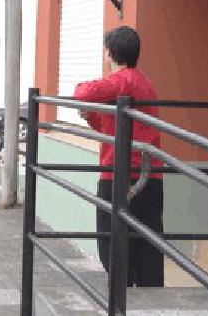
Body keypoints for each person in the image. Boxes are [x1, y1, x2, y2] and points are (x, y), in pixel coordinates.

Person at [72, 25, 165, 287]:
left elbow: (83, 93)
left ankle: (124, 300)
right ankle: (146, 303)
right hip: (149, 173)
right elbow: (110, 127)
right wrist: (91, 116)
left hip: (121, 173)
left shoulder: (124, 80)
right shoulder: (141, 82)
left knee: (111, 242)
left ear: (109, 53)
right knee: (146, 243)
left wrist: (84, 97)